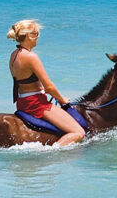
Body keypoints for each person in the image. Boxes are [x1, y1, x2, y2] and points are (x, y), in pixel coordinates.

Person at [7, 19, 85, 147]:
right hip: (36, 104)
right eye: (36, 34)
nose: (38, 38)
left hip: (22, 102)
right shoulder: (31, 56)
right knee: (78, 132)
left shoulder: (14, 55)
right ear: (29, 36)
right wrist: (62, 100)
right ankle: (52, 153)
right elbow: (49, 87)